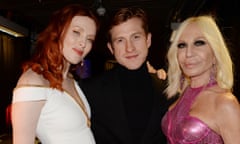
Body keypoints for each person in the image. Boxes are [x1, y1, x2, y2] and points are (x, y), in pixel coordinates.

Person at [80, 7, 176, 144]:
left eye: (136, 37)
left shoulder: (169, 90)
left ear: (148, 40)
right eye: (120, 40)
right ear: (111, 48)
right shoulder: (89, 91)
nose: (129, 48)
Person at [11, 4, 98, 144]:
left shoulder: (70, 78)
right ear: (58, 32)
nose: (83, 43)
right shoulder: (33, 80)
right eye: (76, 32)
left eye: (90, 39)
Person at [161, 15, 240, 143]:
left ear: (215, 53)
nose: (188, 53)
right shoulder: (184, 91)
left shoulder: (225, 103)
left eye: (199, 43)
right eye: (182, 45)